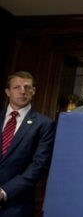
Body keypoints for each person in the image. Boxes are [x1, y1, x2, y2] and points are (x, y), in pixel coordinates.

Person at [0, 71, 55, 217]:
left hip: (16, 204)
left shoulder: (44, 124)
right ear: (8, 92)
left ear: (33, 91)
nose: (22, 91)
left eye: (27, 87)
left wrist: (5, 191)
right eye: (17, 87)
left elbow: (38, 165)